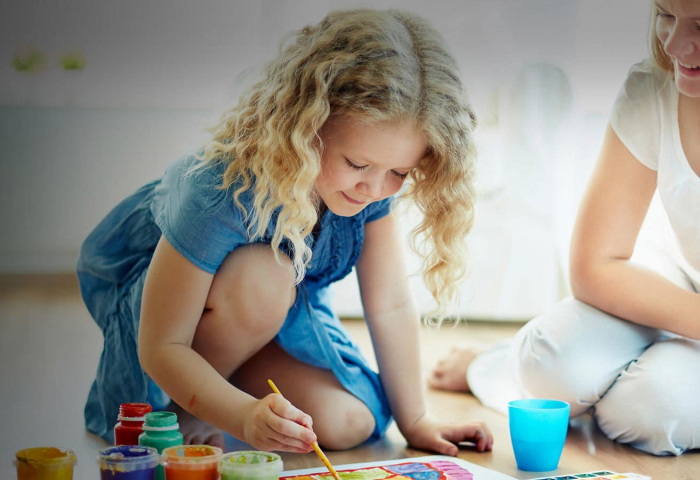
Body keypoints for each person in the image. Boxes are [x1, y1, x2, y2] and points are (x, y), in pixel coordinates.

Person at [77, 8, 493, 454]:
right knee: (267, 274)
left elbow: (390, 304)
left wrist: (416, 420)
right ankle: (187, 403)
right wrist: (239, 415)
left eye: (399, 171)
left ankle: (221, 385)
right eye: (357, 164)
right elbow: (161, 345)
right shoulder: (218, 188)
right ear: (307, 125)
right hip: (174, 329)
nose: (374, 188)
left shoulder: (369, 189)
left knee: (347, 422)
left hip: (272, 321)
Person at [430, 0, 700, 457]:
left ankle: (619, 383)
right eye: (665, 15)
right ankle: (496, 362)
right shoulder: (653, 87)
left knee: (655, 412)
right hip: (680, 285)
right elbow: (595, 266)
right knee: (548, 365)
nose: (673, 44)